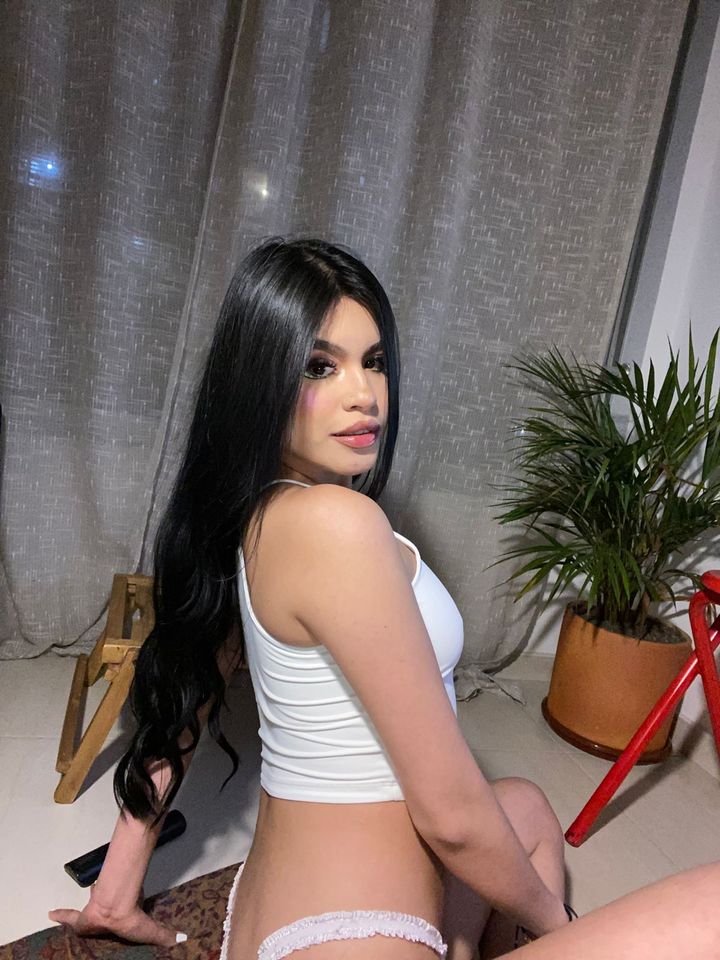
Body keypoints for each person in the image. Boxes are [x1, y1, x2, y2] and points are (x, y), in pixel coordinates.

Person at [50, 237, 720, 959]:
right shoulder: (336, 525)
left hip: (299, 907)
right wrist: (562, 926)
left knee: (524, 803)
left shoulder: (264, 515)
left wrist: (116, 888)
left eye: (373, 361)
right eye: (319, 366)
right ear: (258, 384)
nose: (363, 394)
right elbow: (451, 817)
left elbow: (194, 688)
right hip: (351, 937)